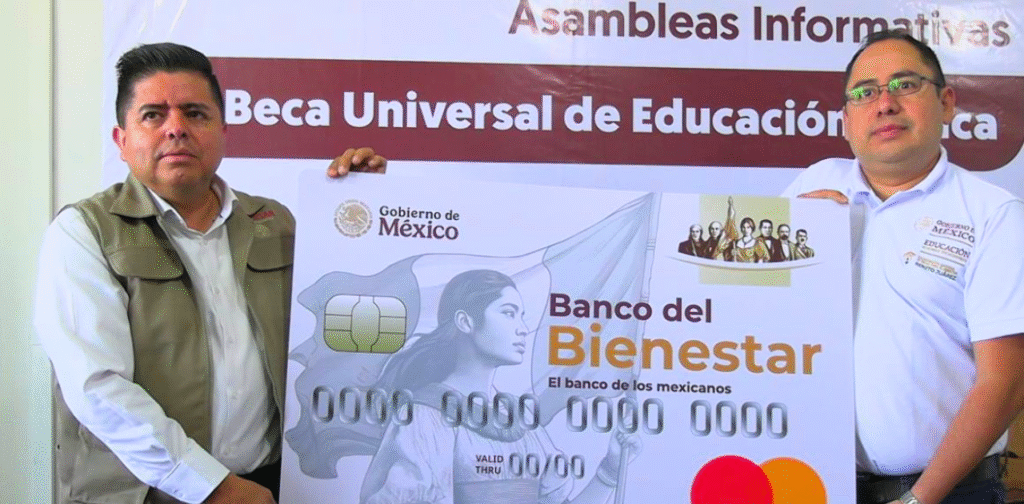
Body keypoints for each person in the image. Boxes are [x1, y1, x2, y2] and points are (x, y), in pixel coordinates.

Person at [34, 42, 386, 504]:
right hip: (144, 494)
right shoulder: (85, 232)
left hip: (270, 486)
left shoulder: (276, 223)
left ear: (222, 131)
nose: (176, 128)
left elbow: (347, 322)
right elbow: (97, 387)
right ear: (121, 140)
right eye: (153, 115)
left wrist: (368, 207)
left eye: (195, 113)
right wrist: (212, 486)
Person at [783, 30, 1024, 504]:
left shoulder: (992, 214)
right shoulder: (813, 189)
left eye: (905, 85)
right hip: (813, 484)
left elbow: (1006, 382)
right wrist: (791, 244)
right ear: (846, 122)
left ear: (946, 103)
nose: (885, 104)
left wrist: (919, 499)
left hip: (950, 494)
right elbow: (752, 324)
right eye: (864, 93)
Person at [362, 270, 639, 504]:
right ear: (465, 322)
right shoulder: (427, 416)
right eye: (508, 313)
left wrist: (609, 471)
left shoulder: (521, 421)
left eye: (521, 315)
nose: (522, 328)